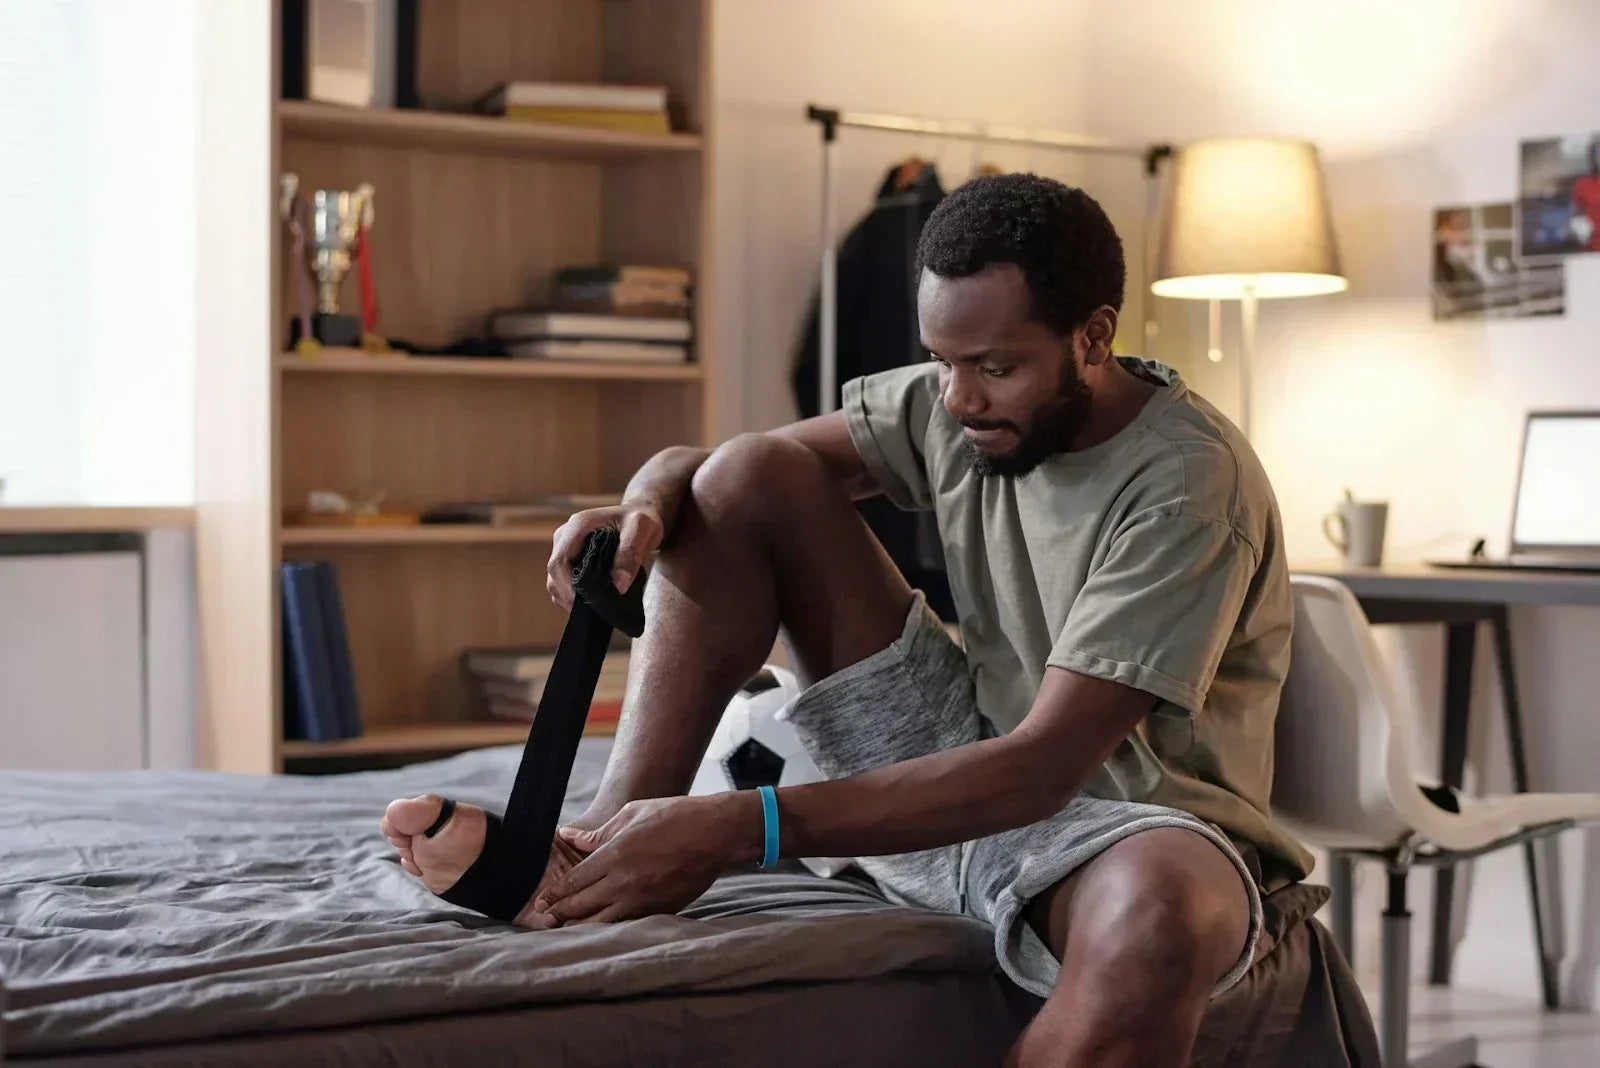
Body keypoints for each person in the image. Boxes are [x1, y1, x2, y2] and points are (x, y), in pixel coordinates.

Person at [381, 173, 1312, 1068]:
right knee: (743, 480)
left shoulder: (1186, 487)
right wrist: (643, 506)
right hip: (952, 748)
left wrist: (739, 826)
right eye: (943, 363)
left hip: (1114, 825)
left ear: (1094, 337)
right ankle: (591, 853)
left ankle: (642, 847)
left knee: (1163, 914)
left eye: (996, 367)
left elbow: (1041, 770)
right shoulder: (961, 401)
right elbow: (719, 465)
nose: (959, 400)